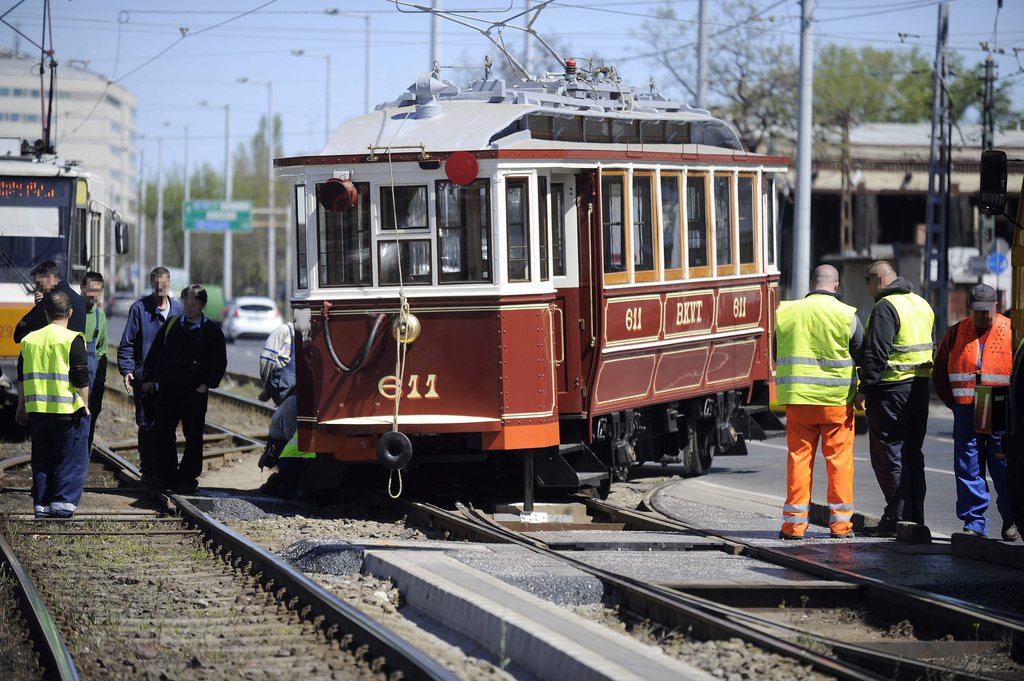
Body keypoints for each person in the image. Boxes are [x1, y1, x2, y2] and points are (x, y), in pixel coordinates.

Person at [776, 265, 863, 540]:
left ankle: (793, 527)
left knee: (799, 460)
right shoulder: (847, 315)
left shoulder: (786, 312)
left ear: (811, 283)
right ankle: (840, 527)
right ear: (836, 285)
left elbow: (778, 347)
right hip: (836, 403)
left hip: (799, 401)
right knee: (838, 462)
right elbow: (862, 353)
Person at [854, 260, 934, 536]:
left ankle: (898, 517)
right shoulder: (921, 304)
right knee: (912, 454)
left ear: (878, 279)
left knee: (889, 454)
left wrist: (863, 389)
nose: (867, 290)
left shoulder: (885, 307)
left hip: (891, 391)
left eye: (867, 282)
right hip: (920, 389)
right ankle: (914, 518)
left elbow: (877, 354)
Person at [933, 284, 1017, 540]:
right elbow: (939, 372)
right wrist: (955, 403)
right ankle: (974, 521)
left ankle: (1011, 517)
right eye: (978, 311)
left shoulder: (1011, 329)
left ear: (996, 307)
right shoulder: (957, 332)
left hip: (1000, 405)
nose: (983, 316)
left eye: (987, 311)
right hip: (967, 408)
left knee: (1003, 465)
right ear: (970, 309)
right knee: (968, 466)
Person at [142, 284, 227, 492]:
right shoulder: (171, 325)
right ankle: (168, 475)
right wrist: (149, 379)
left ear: (202, 304)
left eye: (194, 302)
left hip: (194, 394)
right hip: (168, 391)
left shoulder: (212, 332)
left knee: (193, 436)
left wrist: (206, 384)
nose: (189, 306)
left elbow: (219, 363)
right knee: (164, 433)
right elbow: (155, 354)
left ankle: (188, 478)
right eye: (186, 301)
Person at [15, 291, 90, 518]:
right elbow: (80, 377)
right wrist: (85, 404)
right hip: (66, 412)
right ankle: (62, 506)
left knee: (42, 459)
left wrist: (21, 405)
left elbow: (22, 376)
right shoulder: (72, 339)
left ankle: (42, 506)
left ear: (46, 314)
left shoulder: (29, 341)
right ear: (70, 313)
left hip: (37, 412)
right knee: (69, 459)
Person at [117, 267, 183, 484]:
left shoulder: (179, 311)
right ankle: (149, 472)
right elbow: (127, 343)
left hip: (171, 382)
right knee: (146, 426)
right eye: (156, 283)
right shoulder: (139, 309)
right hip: (144, 378)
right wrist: (127, 370)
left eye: (163, 283)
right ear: (152, 283)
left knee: (167, 426)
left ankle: (168, 471)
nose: (160, 288)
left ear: (169, 283)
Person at [258, 394, 315, 499]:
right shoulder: (293, 408)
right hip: (292, 457)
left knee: (289, 479)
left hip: (286, 456)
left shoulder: (293, 401)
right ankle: (286, 489)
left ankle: (280, 484)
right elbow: (291, 434)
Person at [14, 260, 86, 342]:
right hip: (77, 352)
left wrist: (39, 306)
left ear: (50, 277)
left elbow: (19, 334)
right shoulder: (80, 300)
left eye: (38, 283)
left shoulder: (49, 300)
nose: (37, 288)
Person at [80, 271, 107, 451]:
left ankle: (85, 457)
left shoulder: (100, 316)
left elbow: (102, 351)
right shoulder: (73, 312)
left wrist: (100, 380)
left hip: (93, 379)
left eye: (97, 291)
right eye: (90, 290)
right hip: (75, 379)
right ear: (82, 289)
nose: (93, 295)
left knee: (91, 418)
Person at [258, 322, 296, 406]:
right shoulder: (284, 331)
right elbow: (267, 359)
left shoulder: (310, 332)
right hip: (285, 386)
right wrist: (267, 385)